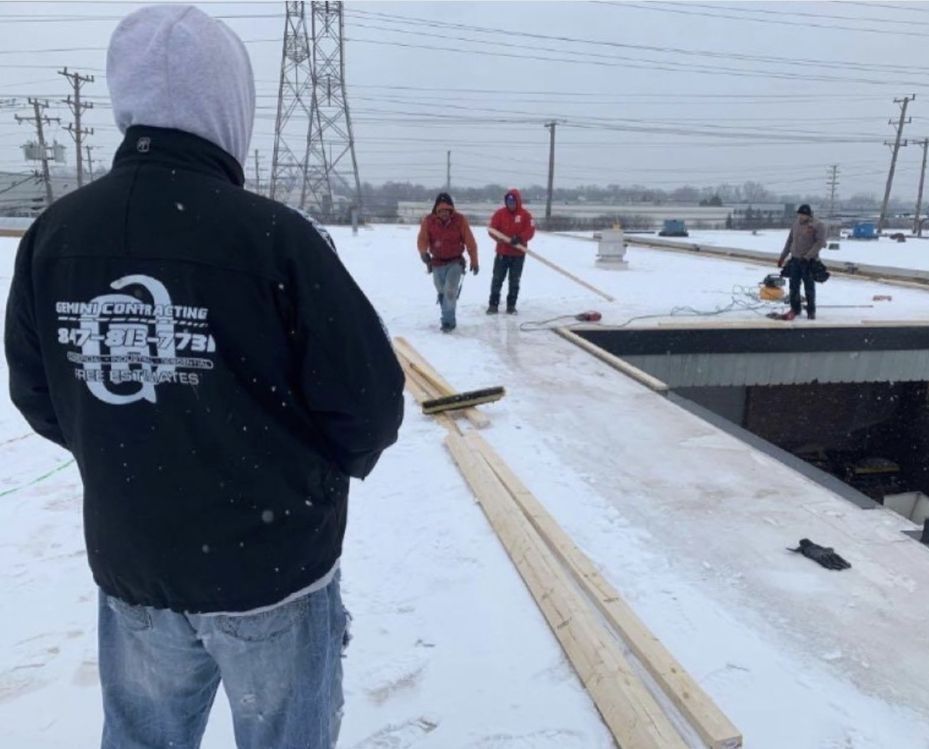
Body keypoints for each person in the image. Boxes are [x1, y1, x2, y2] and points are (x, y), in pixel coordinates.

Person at [3, 6, 404, 748]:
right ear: (229, 103)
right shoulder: (276, 239)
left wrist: (128, 443)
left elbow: (39, 393)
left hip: (135, 569)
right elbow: (370, 408)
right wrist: (301, 473)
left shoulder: (55, 236)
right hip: (273, 571)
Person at [416, 192, 479, 332]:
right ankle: (446, 311)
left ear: (451, 210)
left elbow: (470, 242)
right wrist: (423, 253)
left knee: (450, 291)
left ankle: (448, 322)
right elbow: (422, 239)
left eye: (447, 210)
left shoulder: (460, 220)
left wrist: (474, 261)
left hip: (455, 262)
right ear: (436, 211)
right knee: (442, 292)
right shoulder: (429, 221)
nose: (444, 213)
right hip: (437, 263)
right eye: (441, 211)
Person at [486, 188, 535, 315]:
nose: (511, 204)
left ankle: (511, 306)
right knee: (497, 279)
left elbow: (530, 231)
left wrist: (520, 238)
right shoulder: (500, 214)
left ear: (517, 201)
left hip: (518, 255)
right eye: (508, 201)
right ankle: (493, 305)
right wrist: (499, 239)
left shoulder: (525, 215)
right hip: (502, 253)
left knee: (514, 281)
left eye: (513, 201)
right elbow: (492, 229)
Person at [776, 203, 827, 320]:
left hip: (809, 261)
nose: (800, 217)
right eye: (799, 215)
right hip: (795, 260)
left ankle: (811, 310)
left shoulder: (817, 225)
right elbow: (789, 241)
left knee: (809, 287)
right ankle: (795, 308)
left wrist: (808, 257)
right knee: (793, 286)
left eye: (803, 215)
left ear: (808, 215)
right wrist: (782, 257)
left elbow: (820, 243)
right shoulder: (796, 224)